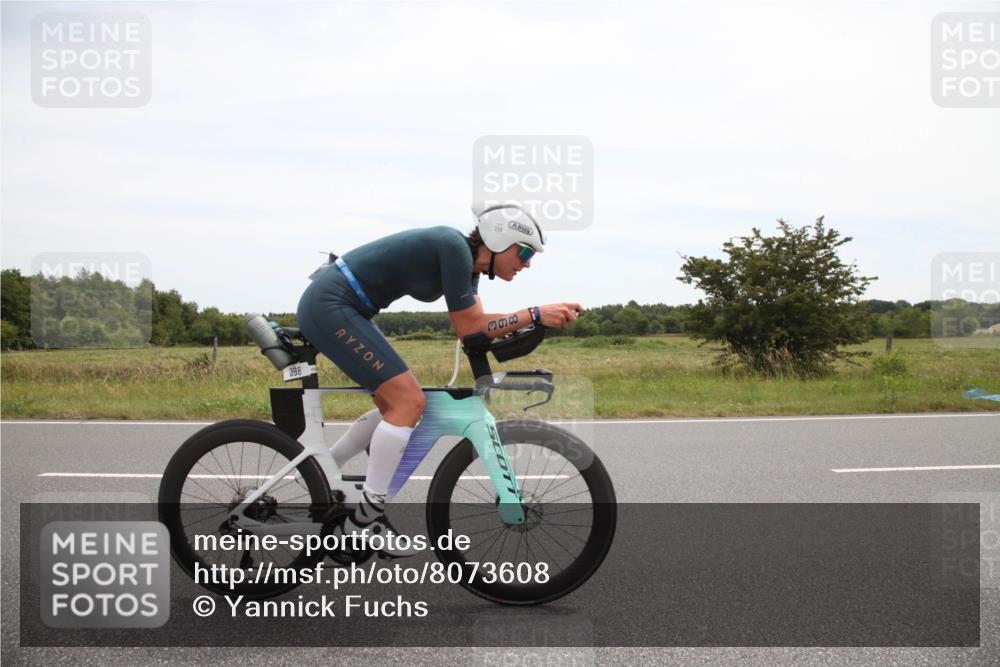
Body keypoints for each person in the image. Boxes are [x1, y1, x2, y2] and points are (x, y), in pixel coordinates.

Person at [295, 203, 582, 557]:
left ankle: (320, 471)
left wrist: (533, 319)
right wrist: (535, 313)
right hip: (331, 305)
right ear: (497, 239)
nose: (527, 263)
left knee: (402, 404)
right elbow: (470, 327)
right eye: (524, 252)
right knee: (408, 403)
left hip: (345, 307)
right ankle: (366, 517)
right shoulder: (453, 248)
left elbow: (475, 328)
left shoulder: (468, 268)